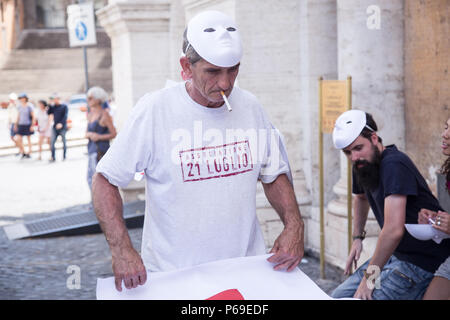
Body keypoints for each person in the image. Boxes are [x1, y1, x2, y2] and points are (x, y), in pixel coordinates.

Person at [92, 11, 305, 292]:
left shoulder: (251, 107)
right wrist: (121, 248)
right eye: (213, 71)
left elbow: (273, 173)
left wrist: (294, 225)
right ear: (186, 66)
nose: (226, 83)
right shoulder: (155, 110)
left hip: (243, 272)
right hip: (175, 277)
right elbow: (105, 180)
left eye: (233, 70)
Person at [330, 109, 449, 300]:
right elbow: (360, 198)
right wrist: (357, 237)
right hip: (396, 256)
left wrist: (369, 280)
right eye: (347, 152)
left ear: (374, 138)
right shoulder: (361, 163)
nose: (354, 157)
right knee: (336, 296)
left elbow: (393, 230)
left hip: (421, 260)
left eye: (358, 148)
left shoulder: (394, 164)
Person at [417, 117, 450, 300]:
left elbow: (391, 233)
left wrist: (369, 282)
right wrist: (435, 219)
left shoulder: (394, 168)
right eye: (445, 127)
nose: (444, 134)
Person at [85, 86, 116, 193]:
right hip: (91, 150)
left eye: (90, 98)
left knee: (99, 180)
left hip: (101, 151)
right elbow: (86, 132)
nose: (88, 100)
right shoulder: (90, 114)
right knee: (90, 179)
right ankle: (95, 203)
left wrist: (99, 137)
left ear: (98, 100)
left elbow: (113, 133)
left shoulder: (105, 114)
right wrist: (90, 134)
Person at [47, 93, 68, 162]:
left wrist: (61, 123)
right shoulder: (53, 107)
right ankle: (53, 157)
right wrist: (49, 104)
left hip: (62, 127)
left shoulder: (64, 106)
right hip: (55, 127)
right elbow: (48, 113)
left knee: (64, 142)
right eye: (54, 99)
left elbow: (65, 116)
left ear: (59, 99)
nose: (55, 100)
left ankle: (64, 156)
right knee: (52, 142)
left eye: (56, 99)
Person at [14, 93, 35, 159]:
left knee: (28, 139)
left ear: (25, 98)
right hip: (21, 124)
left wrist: (32, 125)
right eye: (20, 98)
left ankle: (29, 152)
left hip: (28, 124)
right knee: (19, 139)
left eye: (22, 98)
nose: (21, 99)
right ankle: (23, 152)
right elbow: (18, 116)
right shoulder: (19, 106)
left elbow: (33, 116)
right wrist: (16, 124)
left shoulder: (29, 106)